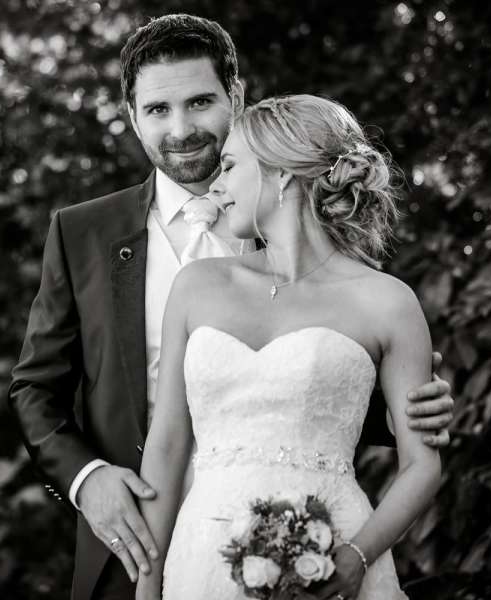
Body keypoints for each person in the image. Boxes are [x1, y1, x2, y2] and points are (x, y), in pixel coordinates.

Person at [8, 14, 454, 600]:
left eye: (199, 102)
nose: (181, 128)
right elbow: (35, 390)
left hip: (312, 539)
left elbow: (326, 390)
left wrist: (405, 411)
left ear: (235, 97)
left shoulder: (345, 273)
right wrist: (86, 480)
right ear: (133, 117)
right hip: (141, 544)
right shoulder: (82, 233)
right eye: (158, 110)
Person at [134, 94, 439, 600]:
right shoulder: (197, 285)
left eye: (230, 166)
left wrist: (356, 557)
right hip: (202, 558)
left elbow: (422, 464)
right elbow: (166, 446)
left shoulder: (387, 302)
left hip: (335, 553)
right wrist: (147, 589)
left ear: (279, 172)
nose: (216, 186)